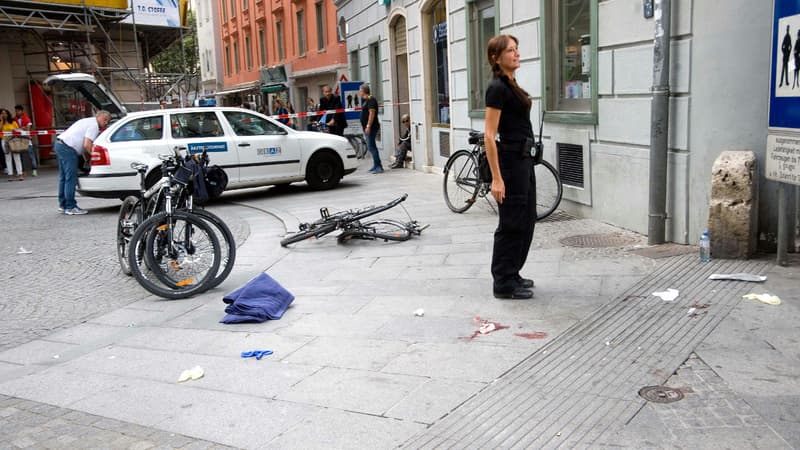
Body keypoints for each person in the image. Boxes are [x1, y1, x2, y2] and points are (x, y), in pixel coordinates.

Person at [484, 34, 536, 300]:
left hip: (524, 160)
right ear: (496, 57)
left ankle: (512, 272)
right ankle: (502, 282)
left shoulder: (511, 83)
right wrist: (497, 178)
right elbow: (489, 136)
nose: (516, 54)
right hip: (511, 163)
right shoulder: (497, 88)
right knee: (512, 222)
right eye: (510, 51)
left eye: (517, 49)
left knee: (526, 219)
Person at [54, 110, 111, 215]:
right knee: (71, 178)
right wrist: (94, 157)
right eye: (105, 119)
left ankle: (63, 205)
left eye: (108, 120)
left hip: (60, 144)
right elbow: (87, 145)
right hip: (68, 148)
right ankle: (71, 206)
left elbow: (83, 145)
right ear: (99, 117)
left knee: (64, 177)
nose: (106, 122)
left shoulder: (87, 121)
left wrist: (87, 158)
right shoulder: (94, 126)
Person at [359, 84, 383, 174]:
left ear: (363, 91)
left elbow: (371, 113)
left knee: (371, 146)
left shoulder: (371, 100)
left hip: (371, 127)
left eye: (360, 90)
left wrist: (368, 126)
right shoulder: (366, 100)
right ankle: (376, 165)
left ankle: (378, 166)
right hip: (367, 127)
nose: (359, 92)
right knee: (371, 146)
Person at [14, 105, 37, 177]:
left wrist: (21, 128)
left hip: (27, 139)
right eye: (16, 111)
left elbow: (28, 129)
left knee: (31, 155)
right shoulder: (14, 119)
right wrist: (22, 128)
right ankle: (23, 171)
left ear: (22, 111)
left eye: (18, 111)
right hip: (18, 140)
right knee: (21, 156)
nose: (17, 112)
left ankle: (34, 170)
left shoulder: (27, 119)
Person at [2, 108, 24, 181]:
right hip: (4, 141)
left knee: (16, 156)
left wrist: (14, 131)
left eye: (5, 113)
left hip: (13, 140)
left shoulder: (13, 122)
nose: (3, 115)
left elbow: (18, 130)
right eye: (2, 113)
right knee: (7, 158)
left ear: (8, 114)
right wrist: (1, 121)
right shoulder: (1, 122)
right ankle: (10, 174)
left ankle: (20, 174)